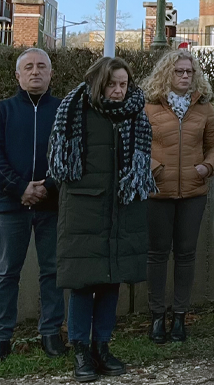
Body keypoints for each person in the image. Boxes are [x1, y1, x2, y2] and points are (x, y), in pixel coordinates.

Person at [49, 57, 155, 382]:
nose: (119, 90)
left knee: (111, 282)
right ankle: (80, 350)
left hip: (123, 210)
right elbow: (61, 166)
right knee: (83, 283)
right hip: (84, 211)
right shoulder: (75, 110)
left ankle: (102, 346)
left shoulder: (136, 114)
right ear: (98, 83)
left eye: (124, 84)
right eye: (113, 84)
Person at [0, 48, 65, 367]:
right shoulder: (1, 112)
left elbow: (70, 155)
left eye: (41, 66)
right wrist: (20, 188)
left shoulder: (62, 111)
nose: (35, 71)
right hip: (10, 206)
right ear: (18, 75)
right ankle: (0, 339)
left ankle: (50, 335)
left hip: (52, 204)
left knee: (53, 272)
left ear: (50, 74)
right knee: (5, 273)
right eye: (28, 67)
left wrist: (48, 186)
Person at [142, 49, 214, 343]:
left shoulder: (204, 107)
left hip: (193, 192)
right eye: (179, 71)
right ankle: (156, 318)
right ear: (167, 73)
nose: (185, 76)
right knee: (156, 254)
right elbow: (135, 145)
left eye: (190, 71)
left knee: (186, 255)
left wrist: (207, 166)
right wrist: (154, 168)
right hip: (157, 192)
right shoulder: (148, 106)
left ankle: (179, 318)